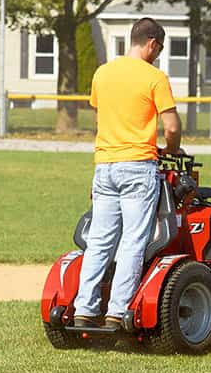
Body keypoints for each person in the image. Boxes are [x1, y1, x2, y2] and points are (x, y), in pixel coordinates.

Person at [73, 17, 182, 331]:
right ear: (152, 44)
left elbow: (101, 112)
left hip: (104, 166)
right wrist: (172, 149)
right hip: (137, 166)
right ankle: (117, 312)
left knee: (100, 242)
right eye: (158, 49)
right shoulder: (154, 77)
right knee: (134, 241)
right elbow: (172, 127)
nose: (157, 54)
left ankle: (85, 308)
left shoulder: (103, 73)